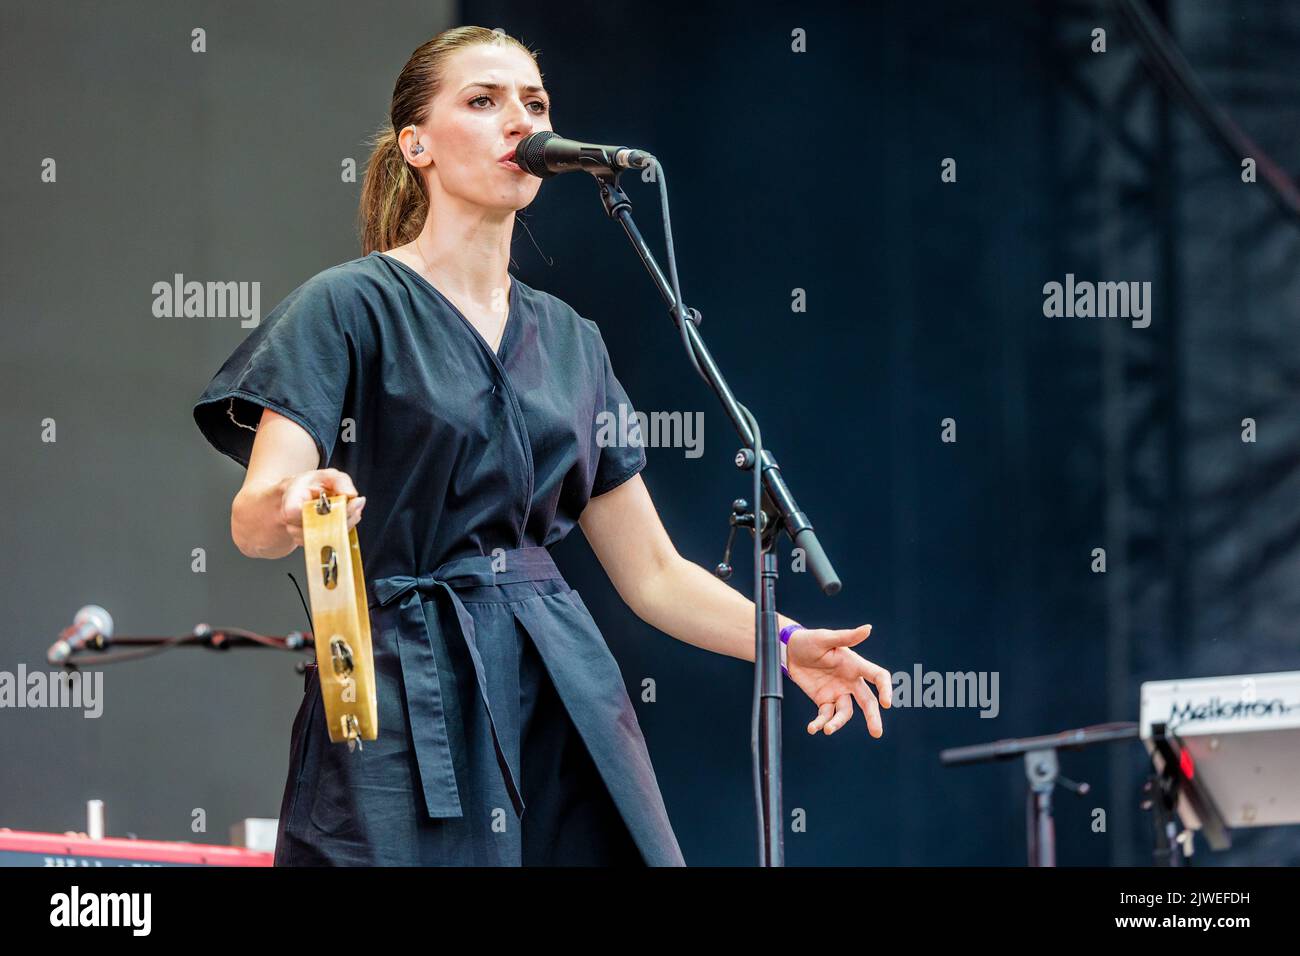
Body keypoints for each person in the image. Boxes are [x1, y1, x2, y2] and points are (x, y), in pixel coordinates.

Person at [193, 25, 891, 867]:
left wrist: (783, 640)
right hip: (400, 683)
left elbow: (656, 574)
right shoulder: (347, 306)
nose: (517, 121)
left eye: (534, 103)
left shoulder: (570, 339)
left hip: (556, 675)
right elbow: (253, 521)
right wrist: (295, 502)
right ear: (415, 144)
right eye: (482, 101)